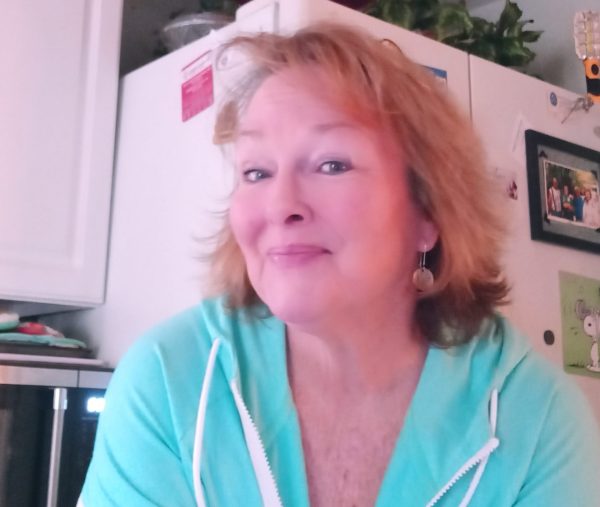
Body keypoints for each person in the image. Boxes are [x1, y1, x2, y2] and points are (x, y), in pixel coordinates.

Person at [79, 24, 600, 506]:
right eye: (256, 172)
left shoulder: (538, 423)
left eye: (332, 163)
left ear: (428, 213)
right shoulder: (168, 384)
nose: (281, 204)